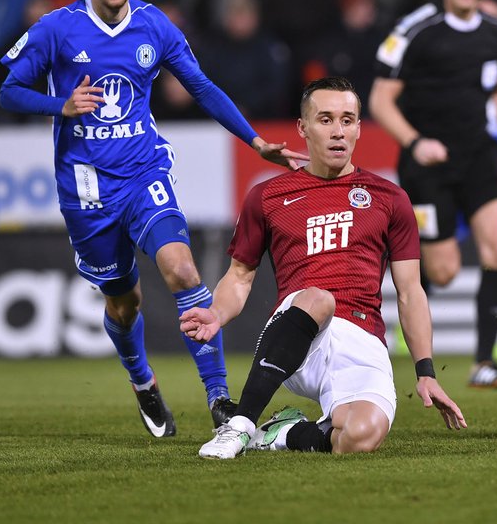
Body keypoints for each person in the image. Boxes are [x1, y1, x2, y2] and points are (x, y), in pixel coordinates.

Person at [0, 0, 307, 438]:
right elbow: (9, 90)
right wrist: (61, 105)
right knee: (124, 302)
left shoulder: (154, 25)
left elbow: (202, 87)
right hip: (87, 189)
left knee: (184, 270)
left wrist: (254, 142)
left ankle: (219, 400)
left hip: (144, 172)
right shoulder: (57, 28)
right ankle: (142, 380)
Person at [184, 76, 466, 459]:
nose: (338, 132)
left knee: (359, 437)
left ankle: (286, 433)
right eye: (326, 119)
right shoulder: (267, 196)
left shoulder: (391, 198)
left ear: (360, 129)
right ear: (303, 128)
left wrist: (426, 372)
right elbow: (239, 276)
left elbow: (410, 292)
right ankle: (239, 426)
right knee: (319, 298)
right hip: (301, 333)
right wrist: (217, 314)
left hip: (363, 338)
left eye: (348, 120)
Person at [368, 0, 497, 389]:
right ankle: (402, 300)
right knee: (444, 270)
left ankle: (484, 363)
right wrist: (416, 142)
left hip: (481, 156)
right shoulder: (416, 30)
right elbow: (380, 100)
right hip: (428, 167)